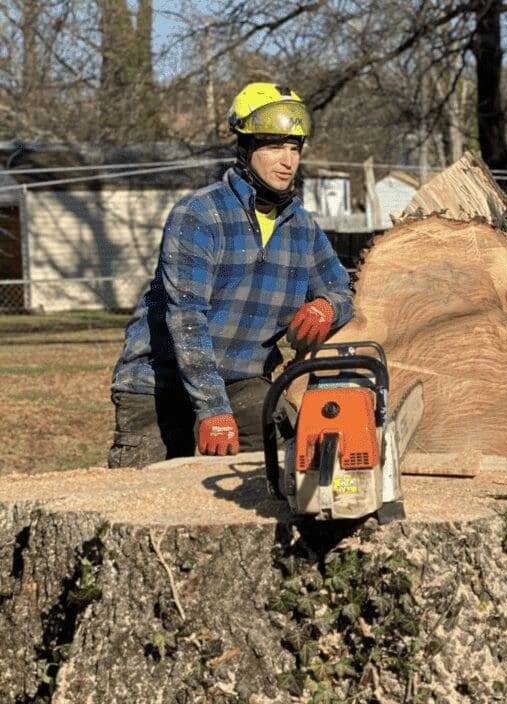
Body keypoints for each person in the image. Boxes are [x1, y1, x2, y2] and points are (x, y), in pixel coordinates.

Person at [109, 83, 353, 466]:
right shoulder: (199, 213)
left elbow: (342, 290)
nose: (287, 161)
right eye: (274, 147)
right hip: (161, 382)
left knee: (273, 473)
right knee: (144, 495)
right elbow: (187, 317)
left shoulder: (303, 227)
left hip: (242, 380)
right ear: (246, 148)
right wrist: (211, 408)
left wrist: (327, 307)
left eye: (294, 148)